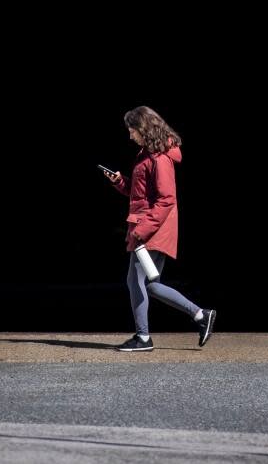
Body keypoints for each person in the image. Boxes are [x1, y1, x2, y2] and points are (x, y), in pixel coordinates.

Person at [102, 105, 216, 352]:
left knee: (135, 281)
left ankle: (143, 338)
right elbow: (142, 194)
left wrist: (142, 230)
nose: (130, 135)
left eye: (132, 130)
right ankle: (200, 315)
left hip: (151, 229)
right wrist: (120, 182)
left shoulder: (160, 158)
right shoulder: (147, 154)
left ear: (143, 128)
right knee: (150, 284)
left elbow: (166, 200)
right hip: (147, 225)